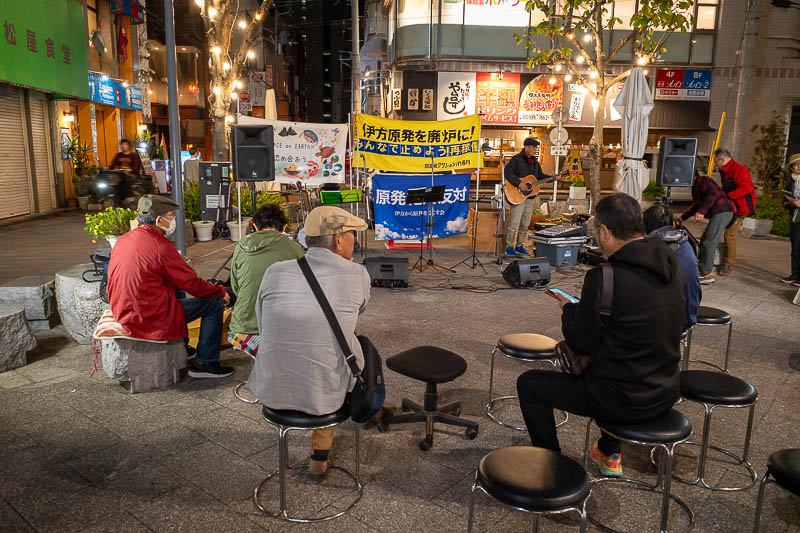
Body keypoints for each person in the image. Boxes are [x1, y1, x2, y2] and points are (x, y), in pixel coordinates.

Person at [517, 193, 685, 477]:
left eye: (596, 231)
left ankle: (552, 469)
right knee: (619, 360)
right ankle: (609, 451)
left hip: (619, 399)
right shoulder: (671, 267)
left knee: (530, 385)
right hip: (665, 391)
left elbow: (581, 341)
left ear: (605, 232)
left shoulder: (604, 276)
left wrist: (570, 310)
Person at [248, 206, 371, 479]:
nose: (354, 241)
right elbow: (357, 312)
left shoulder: (275, 271)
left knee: (318, 349)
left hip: (271, 386)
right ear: (338, 239)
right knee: (342, 350)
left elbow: (262, 320)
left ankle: (314, 453)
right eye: (352, 234)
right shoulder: (358, 274)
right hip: (324, 392)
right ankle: (319, 457)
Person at [107, 195, 233, 378]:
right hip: (145, 317)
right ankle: (205, 363)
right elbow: (192, 284)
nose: (173, 220)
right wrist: (219, 292)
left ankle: (184, 347)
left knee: (176, 287)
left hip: (124, 308)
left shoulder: (126, 238)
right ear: (159, 220)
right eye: (171, 216)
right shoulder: (160, 246)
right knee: (214, 303)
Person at [228, 204, 304, 356]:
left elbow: (235, 286)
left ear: (255, 226)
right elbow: (304, 288)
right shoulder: (294, 247)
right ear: (284, 227)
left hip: (243, 327)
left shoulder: (241, 246)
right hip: (281, 325)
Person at [644, 204, 702, 330]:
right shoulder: (685, 243)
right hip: (689, 313)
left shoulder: (652, 246)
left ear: (646, 225)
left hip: (667, 322)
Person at [677, 171, 735, 284]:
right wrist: (682, 218)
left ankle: (706, 274)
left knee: (709, 242)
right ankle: (702, 269)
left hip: (723, 212)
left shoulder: (703, 180)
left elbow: (713, 193)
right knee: (705, 240)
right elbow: (696, 206)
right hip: (720, 213)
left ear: (691, 175)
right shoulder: (696, 187)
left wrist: (702, 211)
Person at [504, 137, 553, 257]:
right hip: (517, 196)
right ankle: (509, 247)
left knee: (525, 224)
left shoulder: (535, 162)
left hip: (529, 197)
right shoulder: (517, 159)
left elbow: (539, 176)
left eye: (536, 147)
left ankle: (520, 245)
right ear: (526, 147)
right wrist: (519, 183)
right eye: (532, 147)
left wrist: (553, 178)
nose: (534, 149)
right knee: (514, 224)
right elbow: (508, 172)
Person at [714, 148, 756, 276]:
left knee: (729, 235)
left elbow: (747, 188)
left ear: (722, 160)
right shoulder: (725, 170)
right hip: (731, 207)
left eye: (716, 162)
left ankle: (728, 264)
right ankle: (722, 259)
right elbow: (727, 187)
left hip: (741, 208)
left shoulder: (739, 169)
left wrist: (728, 196)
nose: (715, 165)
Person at [781, 153, 800, 286]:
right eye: (796, 165)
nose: (799, 167)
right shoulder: (790, 182)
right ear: (792, 167)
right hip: (795, 218)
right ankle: (794, 275)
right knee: (795, 247)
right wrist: (792, 203)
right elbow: (784, 202)